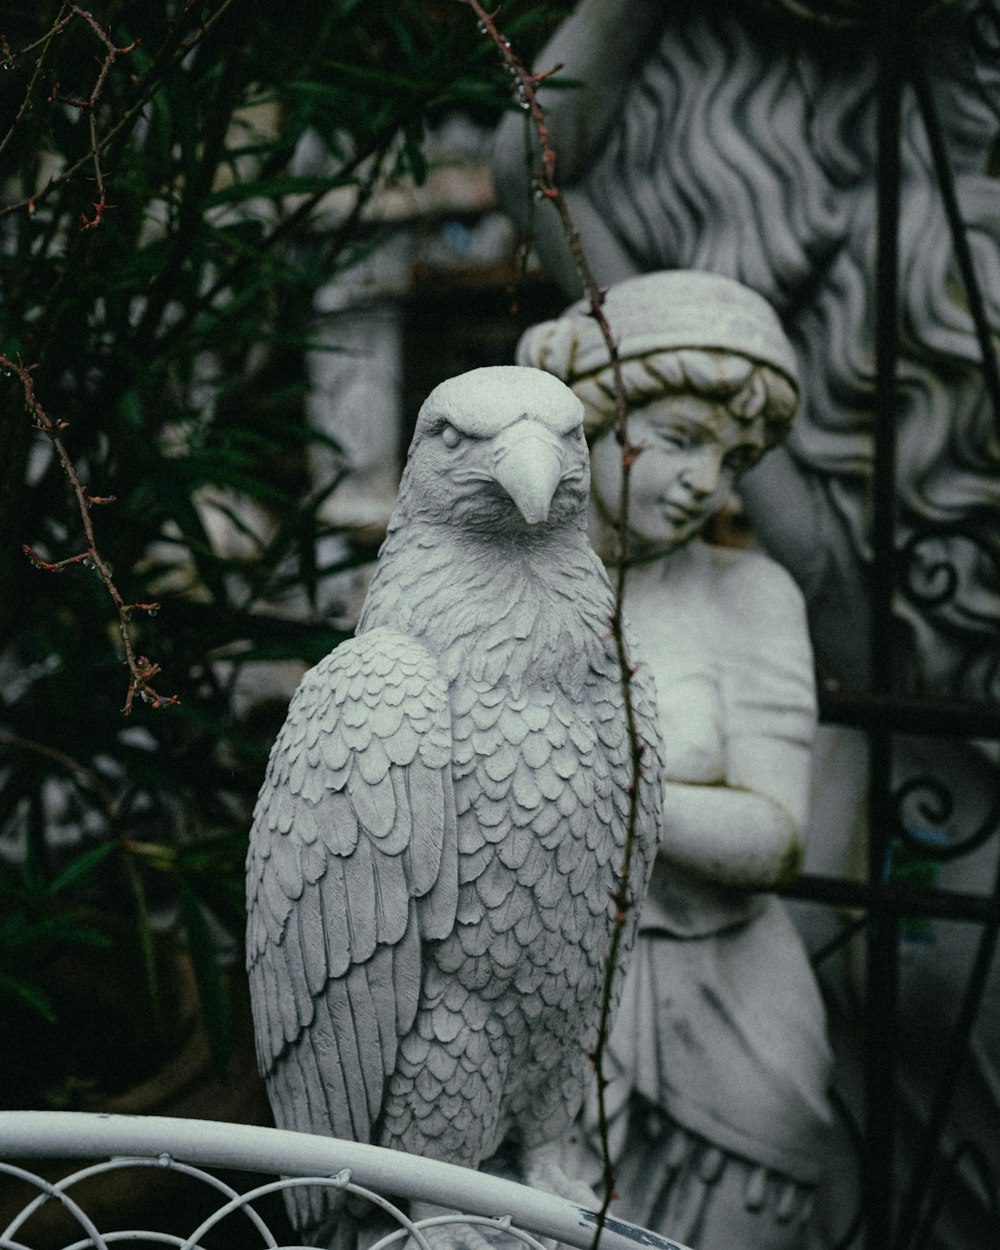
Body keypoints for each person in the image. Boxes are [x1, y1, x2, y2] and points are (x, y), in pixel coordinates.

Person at [517, 270, 832, 1250]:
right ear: (596, 420)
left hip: (723, 985)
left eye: (734, 457)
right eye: (685, 439)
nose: (710, 480)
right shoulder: (491, 586)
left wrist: (610, 778)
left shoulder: (750, 595)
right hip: (529, 983)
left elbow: (775, 836)